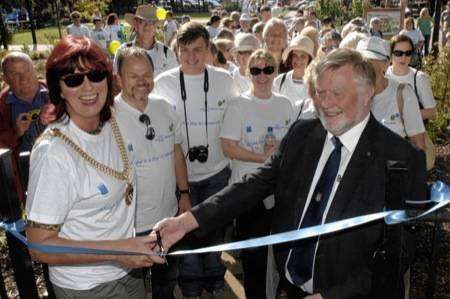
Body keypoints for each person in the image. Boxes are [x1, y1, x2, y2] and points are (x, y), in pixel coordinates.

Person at [154, 48, 427, 298]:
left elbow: (401, 253)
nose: (325, 103)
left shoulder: (401, 159)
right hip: (291, 289)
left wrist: (333, 295)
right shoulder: (301, 134)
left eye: (336, 93)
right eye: (319, 93)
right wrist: (187, 222)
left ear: (368, 94)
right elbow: (253, 185)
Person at [25, 35, 159, 299]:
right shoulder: (54, 153)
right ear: (59, 89)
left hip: (127, 271)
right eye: (74, 79)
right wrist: (120, 251)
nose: (88, 87)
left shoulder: (111, 122)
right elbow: (39, 245)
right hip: (87, 286)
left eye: (96, 75)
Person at [153, 22, 239, 299]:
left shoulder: (225, 80)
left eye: (198, 50)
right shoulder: (163, 83)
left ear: (209, 50)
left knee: (213, 232)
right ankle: (190, 287)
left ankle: (214, 281)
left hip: (217, 172)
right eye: (185, 50)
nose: (191, 57)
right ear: (177, 50)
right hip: (181, 176)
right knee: (184, 234)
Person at [114, 46, 190, 299]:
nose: (142, 81)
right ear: (119, 78)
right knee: (131, 285)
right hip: (128, 225)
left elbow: (177, 152)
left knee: (165, 281)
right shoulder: (108, 118)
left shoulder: (165, 107)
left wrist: (184, 193)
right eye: (133, 76)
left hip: (166, 218)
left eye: (146, 74)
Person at [221, 49, 293, 299]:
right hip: (249, 193)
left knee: (282, 254)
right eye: (256, 70)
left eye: (268, 69)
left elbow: (293, 145)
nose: (262, 76)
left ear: (275, 72)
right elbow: (227, 147)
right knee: (253, 258)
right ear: (248, 73)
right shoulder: (238, 104)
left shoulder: (285, 104)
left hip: (279, 193)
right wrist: (263, 158)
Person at [0, 52, 53, 202]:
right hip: (27, 178)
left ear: (35, 69)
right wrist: (15, 133)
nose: (24, 78)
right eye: (15, 74)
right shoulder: (2, 106)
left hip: (62, 166)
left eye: (27, 70)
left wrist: (59, 114)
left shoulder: (56, 91)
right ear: (5, 79)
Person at [356, 36, 425, 151]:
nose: (365, 68)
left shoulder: (403, 94)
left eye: (371, 62)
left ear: (386, 63)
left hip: (390, 166)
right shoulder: (349, 93)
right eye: (360, 63)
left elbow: (419, 145)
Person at [115, 5, 178, 77]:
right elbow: (116, 83)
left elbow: (174, 83)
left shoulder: (167, 53)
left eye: (152, 22)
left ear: (156, 25)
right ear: (135, 24)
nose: (147, 26)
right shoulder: (122, 51)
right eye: (142, 21)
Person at [386, 34, 437, 121]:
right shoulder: (383, 75)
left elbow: (432, 112)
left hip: (411, 133)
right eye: (398, 53)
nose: (404, 57)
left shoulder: (419, 78)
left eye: (408, 53)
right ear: (391, 54)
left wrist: (401, 116)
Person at [274, 35, 315, 120]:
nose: (298, 60)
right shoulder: (279, 81)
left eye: (303, 56)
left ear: (309, 59)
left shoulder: (315, 83)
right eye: (295, 55)